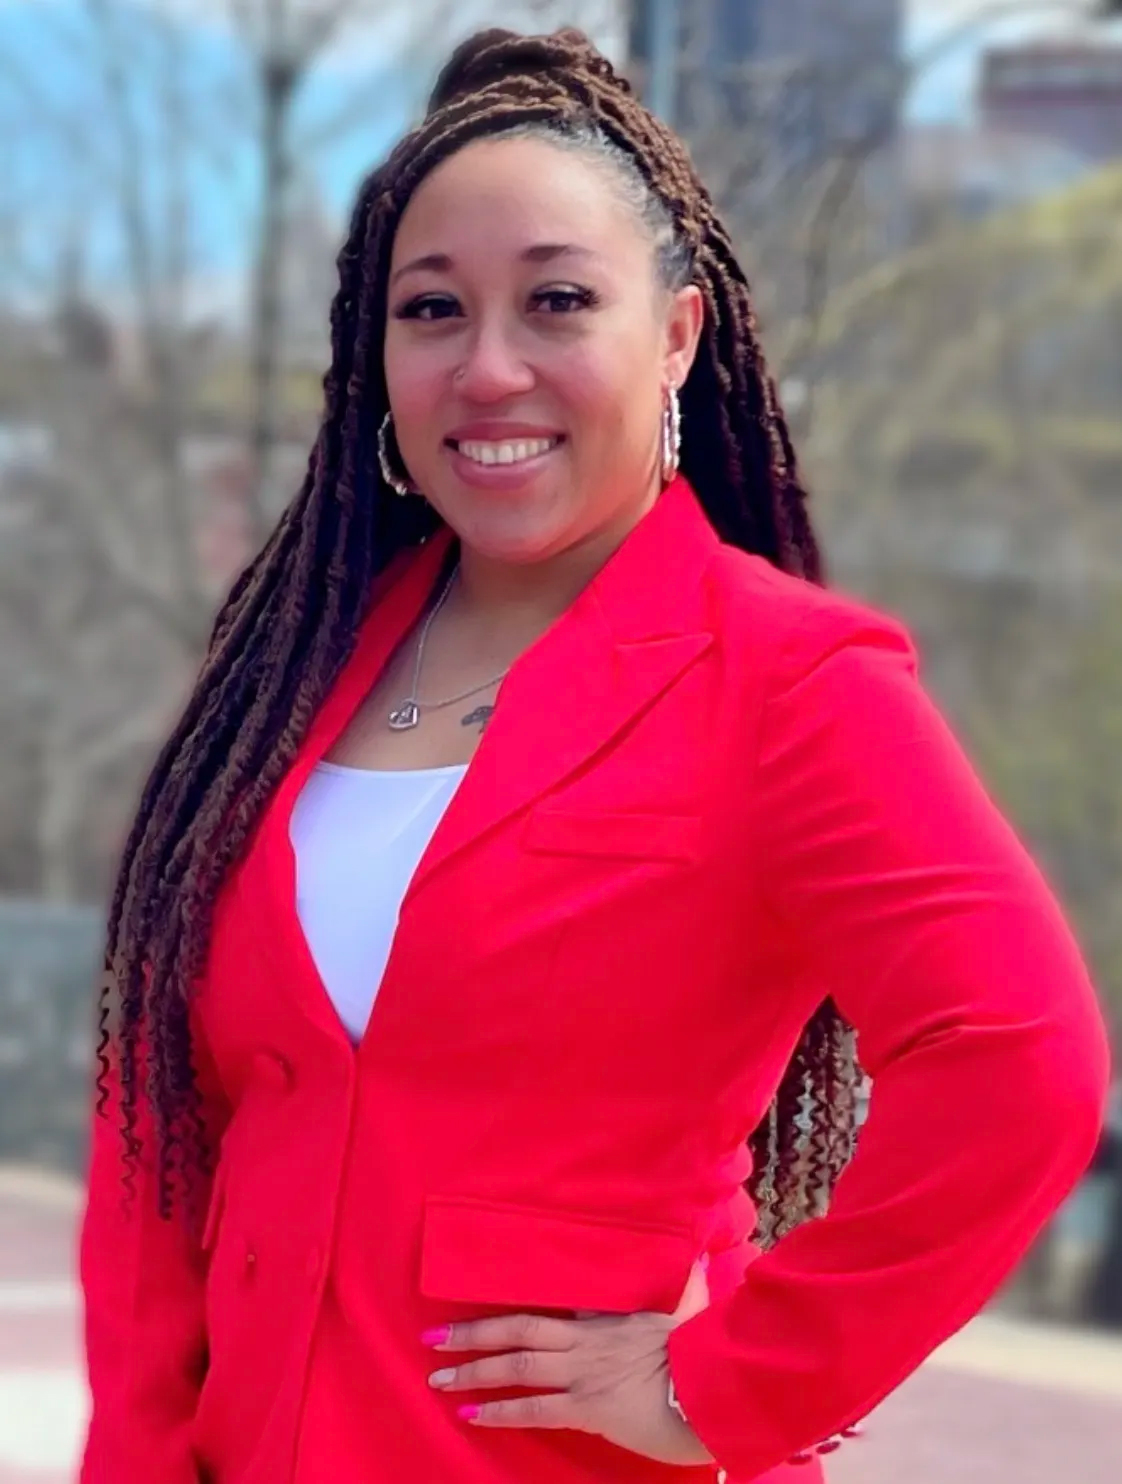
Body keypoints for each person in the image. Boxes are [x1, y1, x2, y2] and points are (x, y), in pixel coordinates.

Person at [78, 26, 1111, 1484]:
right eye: (430, 312)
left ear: (677, 334)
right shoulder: (280, 684)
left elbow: (1021, 1066)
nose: (488, 368)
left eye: (556, 301)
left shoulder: (787, 681)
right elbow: (160, 1137)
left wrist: (725, 1387)